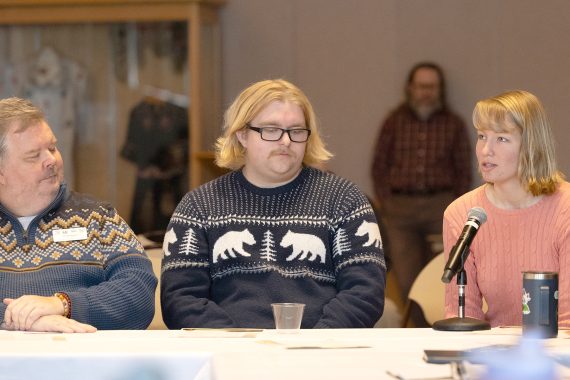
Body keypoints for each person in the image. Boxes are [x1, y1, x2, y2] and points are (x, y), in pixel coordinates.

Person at [161, 79, 386, 329]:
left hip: (322, 354)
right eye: (271, 130)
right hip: (231, 357)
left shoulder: (344, 199)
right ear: (242, 135)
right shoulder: (198, 206)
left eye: (297, 131)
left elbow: (365, 292)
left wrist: (316, 344)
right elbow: (181, 299)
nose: (286, 141)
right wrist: (236, 347)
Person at [0, 97, 157, 333]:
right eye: (34, 156)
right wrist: (25, 320)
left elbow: (138, 293)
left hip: (88, 364)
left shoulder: (98, 217)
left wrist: (62, 305)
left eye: (52, 148)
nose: (51, 160)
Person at [443, 90, 569, 327]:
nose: (486, 150)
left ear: (531, 146)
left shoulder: (566, 209)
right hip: (492, 355)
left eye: (501, 139)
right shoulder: (462, 213)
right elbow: (462, 316)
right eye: (482, 136)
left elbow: (568, 319)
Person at [371, 62, 472, 319]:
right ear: (410, 88)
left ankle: (443, 321)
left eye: (432, 86)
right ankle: (417, 328)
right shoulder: (394, 122)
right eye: (421, 86)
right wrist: (387, 202)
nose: (426, 92)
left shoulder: (454, 124)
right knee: (407, 279)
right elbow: (379, 164)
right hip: (400, 210)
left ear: (440, 90)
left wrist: (456, 205)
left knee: (446, 272)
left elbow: (463, 168)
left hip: (441, 206)